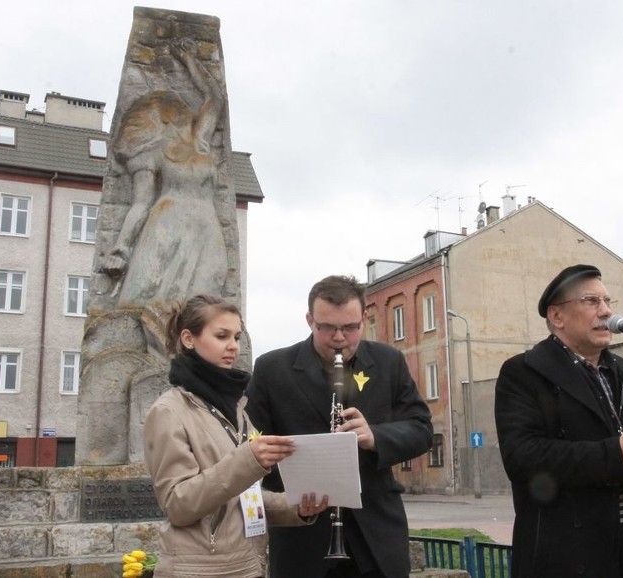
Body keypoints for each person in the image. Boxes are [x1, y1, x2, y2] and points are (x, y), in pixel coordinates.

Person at [494, 264, 623, 578]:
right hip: (576, 549)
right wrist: (611, 455)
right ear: (557, 316)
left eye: (608, 302)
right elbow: (522, 457)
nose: (606, 311)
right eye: (592, 302)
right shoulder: (524, 373)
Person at [246, 274, 434, 578]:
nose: (339, 338)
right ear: (310, 320)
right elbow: (250, 440)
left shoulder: (388, 361)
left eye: (350, 328)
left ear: (364, 318)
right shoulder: (272, 368)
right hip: (303, 539)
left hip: (376, 535)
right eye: (327, 328)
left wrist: (375, 436)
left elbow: (422, 429)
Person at [144, 294, 329, 578]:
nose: (233, 346)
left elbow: (244, 497)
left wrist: (297, 507)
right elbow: (178, 505)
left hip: (246, 566)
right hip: (197, 571)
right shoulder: (169, 410)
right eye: (222, 336)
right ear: (188, 339)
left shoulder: (237, 408)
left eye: (236, 336)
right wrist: (247, 460)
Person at [99, 37, 229, 305]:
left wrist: (191, 61)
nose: (183, 111)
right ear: (163, 117)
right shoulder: (151, 151)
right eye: (175, 109)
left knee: (207, 303)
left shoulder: (200, 141)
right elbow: (141, 202)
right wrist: (121, 248)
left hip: (207, 227)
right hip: (166, 227)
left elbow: (215, 98)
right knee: (150, 302)